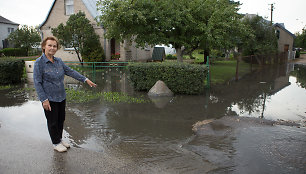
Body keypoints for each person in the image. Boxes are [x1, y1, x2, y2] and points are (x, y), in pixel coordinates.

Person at [33, 36, 97, 152]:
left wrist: (85, 79)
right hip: (49, 98)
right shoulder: (39, 63)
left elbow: (70, 71)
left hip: (61, 96)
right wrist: (44, 100)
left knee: (60, 119)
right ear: (44, 46)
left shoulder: (59, 61)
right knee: (52, 122)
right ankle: (55, 143)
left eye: (54, 46)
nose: (52, 48)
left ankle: (59, 138)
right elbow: (37, 83)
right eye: (50, 45)